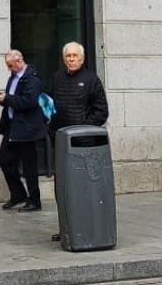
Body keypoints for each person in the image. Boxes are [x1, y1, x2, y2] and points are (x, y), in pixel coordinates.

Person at [47, 42, 108, 241]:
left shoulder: (91, 80)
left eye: (75, 56)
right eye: (68, 56)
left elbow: (101, 111)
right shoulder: (57, 78)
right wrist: (50, 124)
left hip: (85, 145)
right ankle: (66, 226)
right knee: (62, 188)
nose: (71, 59)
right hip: (61, 143)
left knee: (83, 187)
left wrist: (83, 130)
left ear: (82, 59)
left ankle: (86, 226)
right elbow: (50, 104)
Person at [0, 49, 46, 212]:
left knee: (29, 165)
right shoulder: (14, 77)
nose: (9, 68)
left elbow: (30, 102)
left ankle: (34, 200)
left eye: (10, 65)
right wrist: (4, 100)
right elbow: (14, 99)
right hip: (12, 126)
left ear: (19, 61)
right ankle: (18, 194)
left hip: (27, 128)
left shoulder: (32, 78)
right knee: (4, 158)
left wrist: (7, 99)